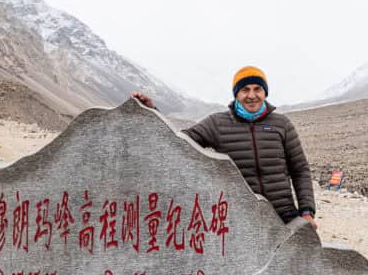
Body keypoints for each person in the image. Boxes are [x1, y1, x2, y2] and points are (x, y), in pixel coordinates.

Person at [132, 66, 318, 230]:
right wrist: (152, 112)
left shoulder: (282, 124)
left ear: (265, 93)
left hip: (283, 215)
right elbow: (179, 142)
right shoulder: (217, 124)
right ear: (236, 94)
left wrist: (307, 211)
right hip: (238, 217)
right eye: (245, 90)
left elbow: (299, 169)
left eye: (257, 89)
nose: (252, 95)